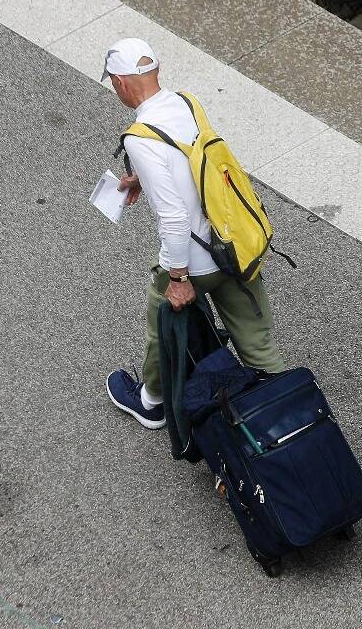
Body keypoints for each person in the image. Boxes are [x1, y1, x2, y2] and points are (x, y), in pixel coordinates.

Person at [102, 37, 283, 430]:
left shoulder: (139, 136)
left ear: (120, 82)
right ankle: (280, 406)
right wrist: (145, 181)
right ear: (156, 71)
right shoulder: (187, 102)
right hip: (233, 244)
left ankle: (151, 402)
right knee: (257, 340)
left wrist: (179, 279)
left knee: (162, 315)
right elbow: (193, 163)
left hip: (196, 260)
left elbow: (174, 218)